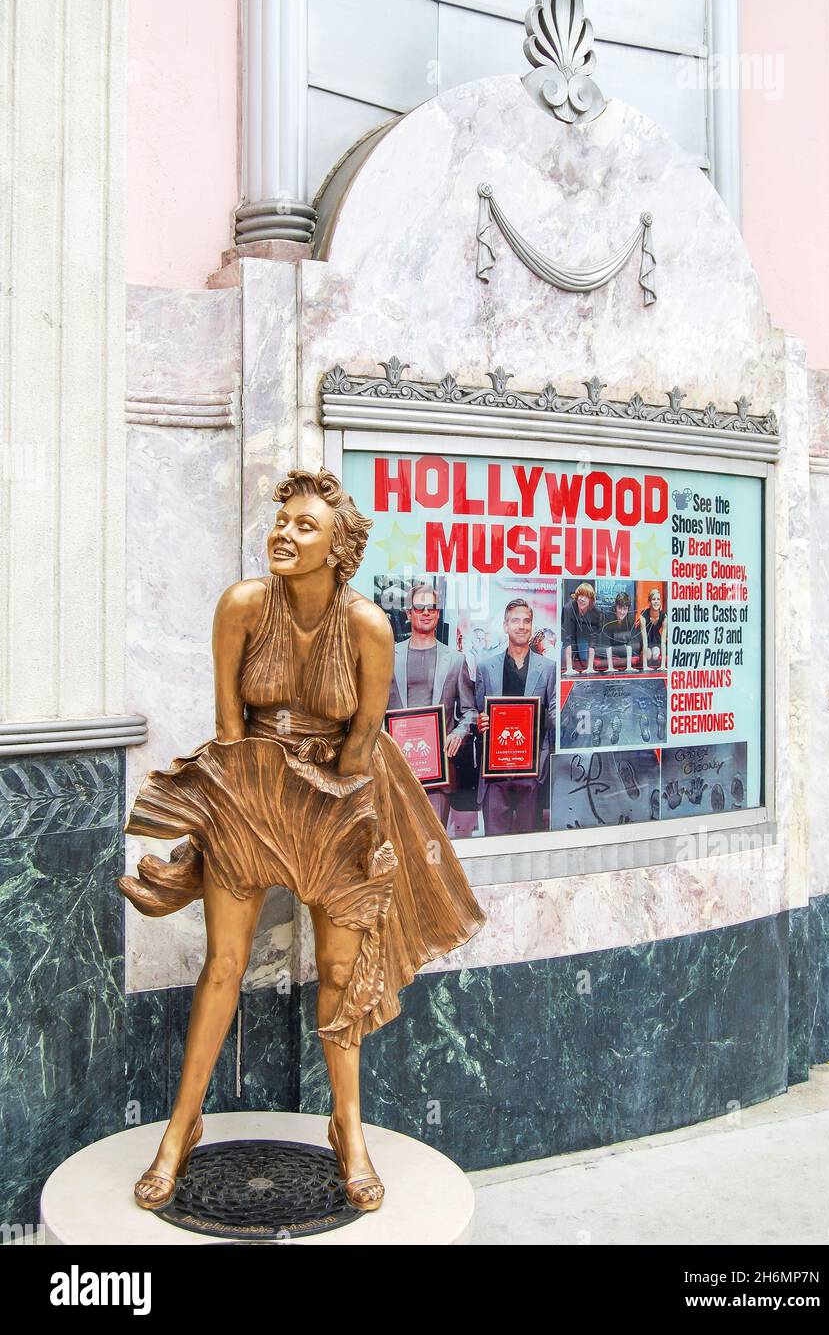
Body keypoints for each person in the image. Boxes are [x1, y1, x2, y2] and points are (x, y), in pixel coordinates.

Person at [118, 468, 486, 1214]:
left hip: (340, 798)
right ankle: (179, 1130)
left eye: (304, 527)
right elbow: (229, 729)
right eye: (281, 522)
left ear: (338, 548)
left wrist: (325, 822)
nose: (284, 535)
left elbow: (361, 746)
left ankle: (346, 1129)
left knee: (343, 972)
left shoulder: (368, 627)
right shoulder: (243, 607)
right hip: (251, 785)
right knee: (222, 963)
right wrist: (241, 814)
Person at [387, 582, 476, 827]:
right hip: (399, 769)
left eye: (432, 608)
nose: (426, 612)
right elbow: (376, 711)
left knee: (434, 848)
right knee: (402, 844)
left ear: (438, 613)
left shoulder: (456, 660)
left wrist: (459, 732)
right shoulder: (387, 657)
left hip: (440, 771)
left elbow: (470, 711)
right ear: (409, 613)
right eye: (419, 607)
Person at [474, 600, 556, 835]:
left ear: (532, 626)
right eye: (516, 621)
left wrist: (537, 720)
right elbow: (478, 711)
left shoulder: (548, 668)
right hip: (494, 773)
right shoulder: (485, 667)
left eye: (527, 621)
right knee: (494, 845)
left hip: (531, 771)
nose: (522, 626)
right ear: (505, 626)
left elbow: (554, 716)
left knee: (529, 848)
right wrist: (480, 722)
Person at [561, 582, 603, 675]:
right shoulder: (568, 608)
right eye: (580, 595)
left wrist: (590, 668)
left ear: (591, 600)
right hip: (572, 636)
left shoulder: (596, 612)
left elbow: (593, 638)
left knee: (584, 657)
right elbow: (567, 636)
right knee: (562, 658)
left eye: (585, 596)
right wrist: (569, 668)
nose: (581, 599)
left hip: (585, 636)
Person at [600, 592, 639, 672]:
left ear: (628, 609)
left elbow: (631, 642)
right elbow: (606, 642)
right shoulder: (607, 616)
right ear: (615, 606)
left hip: (622, 647)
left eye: (625, 609)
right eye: (620, 608)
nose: (622, 612)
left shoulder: (631, 618)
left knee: (635, 646)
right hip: (608, 648)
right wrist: (610, 667)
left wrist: (629, 666)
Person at [639, 586, 667, 670]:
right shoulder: (643, 616)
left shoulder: (664, 616)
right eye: (654, 599)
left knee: (655, 655)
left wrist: (663, 666)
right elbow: (644, 641)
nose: (656, 602)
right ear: (649, 602)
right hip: (646, 642)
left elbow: (663, 642)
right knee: (648, 655)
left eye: (658, 599)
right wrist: (645, 666)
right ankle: (645, 662)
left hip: (656, 641)